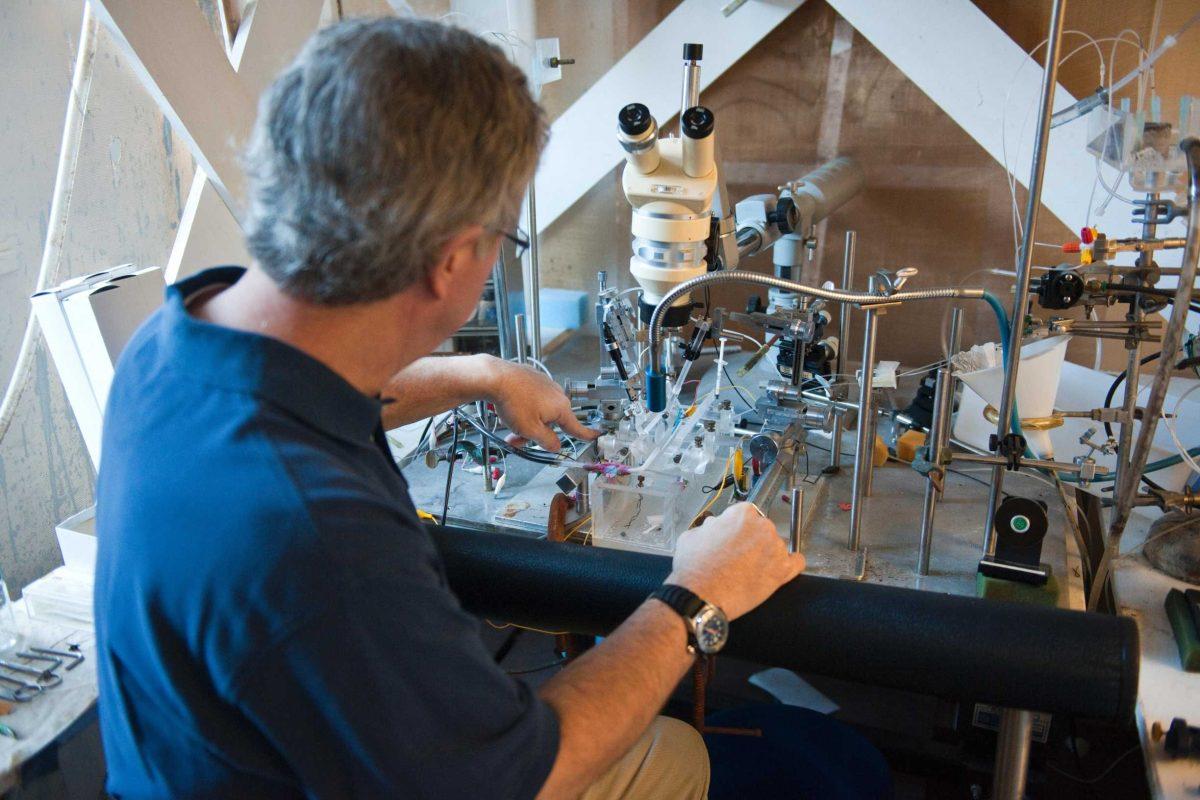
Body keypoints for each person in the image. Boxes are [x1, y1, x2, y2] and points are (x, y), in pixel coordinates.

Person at [94, 16, 804, 800]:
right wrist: (695, 596)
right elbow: (524, 776)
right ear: (451, 260)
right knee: (676, 757)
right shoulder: (321, 540)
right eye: (504, 235)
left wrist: (481, 372)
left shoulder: (174, 343)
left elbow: (311, 397)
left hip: (228, 758)